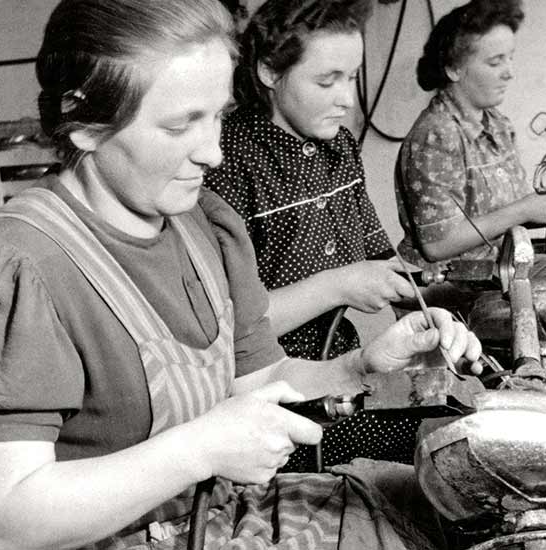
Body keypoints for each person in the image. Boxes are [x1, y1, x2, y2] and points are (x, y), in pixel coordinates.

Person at [0, 1, 481, 549]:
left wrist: (361, 368)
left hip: (216, 519)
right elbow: (8, 521)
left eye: (217, 116)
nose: (213, 151)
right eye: (181, 123)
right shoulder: (23, 264)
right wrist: (199, 449)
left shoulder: (203, 222)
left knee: (455, 508)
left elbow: (255, 380)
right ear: (85, 124)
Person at [204, 0, 423, 470]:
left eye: (352, 77)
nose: (347, 98)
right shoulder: (225, 160)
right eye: (327, 80)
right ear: (268, 71)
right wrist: (339, 285)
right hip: (268, 388)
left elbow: (382, 261)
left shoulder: (341, 146)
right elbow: (228, 330)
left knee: (413, 453)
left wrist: (435, 310)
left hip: (343, 365)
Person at [395, 0, 546, 279]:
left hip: (498, 273)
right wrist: (523, 210)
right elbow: (437, 244)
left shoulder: (497, 124)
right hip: (448, 288)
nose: (510, 72)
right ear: (453, 69)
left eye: (510, 58)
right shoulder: (436, 135)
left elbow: (510, 212)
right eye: (495, 61)